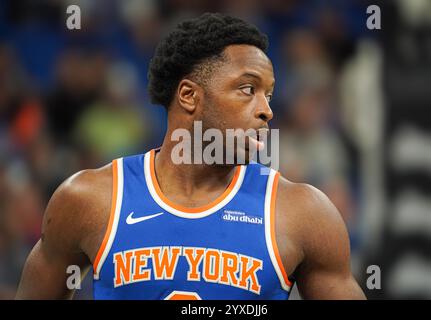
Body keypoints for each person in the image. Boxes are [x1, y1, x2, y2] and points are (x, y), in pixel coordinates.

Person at [15, 13, 366, 300]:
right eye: (248, 90)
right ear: (188, 95)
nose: (266, 111)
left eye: (269, 95)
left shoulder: (302, 212)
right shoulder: (89, 199)